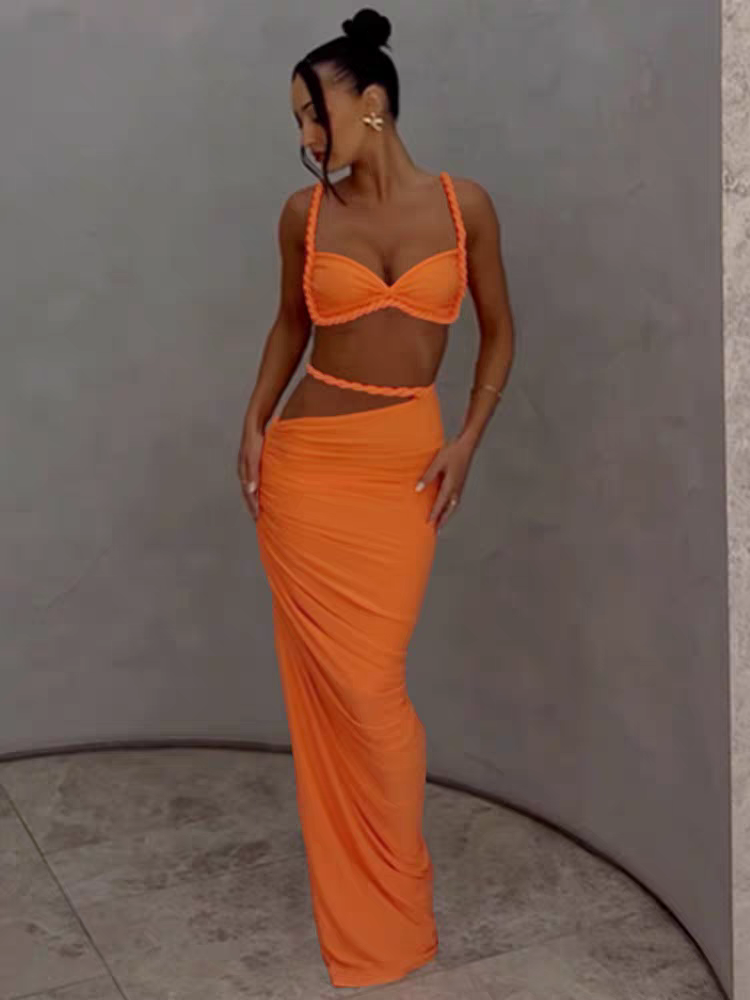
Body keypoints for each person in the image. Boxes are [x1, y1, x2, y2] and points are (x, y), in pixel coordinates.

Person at [237, 7, 515, 989]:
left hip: (405, 461)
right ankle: (374, 904)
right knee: (345, 692)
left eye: (315, 114)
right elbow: (289, 324)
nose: (307, 137)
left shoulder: (464, 205)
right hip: (307, 466)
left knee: (374, 692)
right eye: (298, 122)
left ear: (372, 102)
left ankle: (396, 889)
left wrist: (467, 441)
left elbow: (498, 330)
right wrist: (252, 424)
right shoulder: (304, 217)